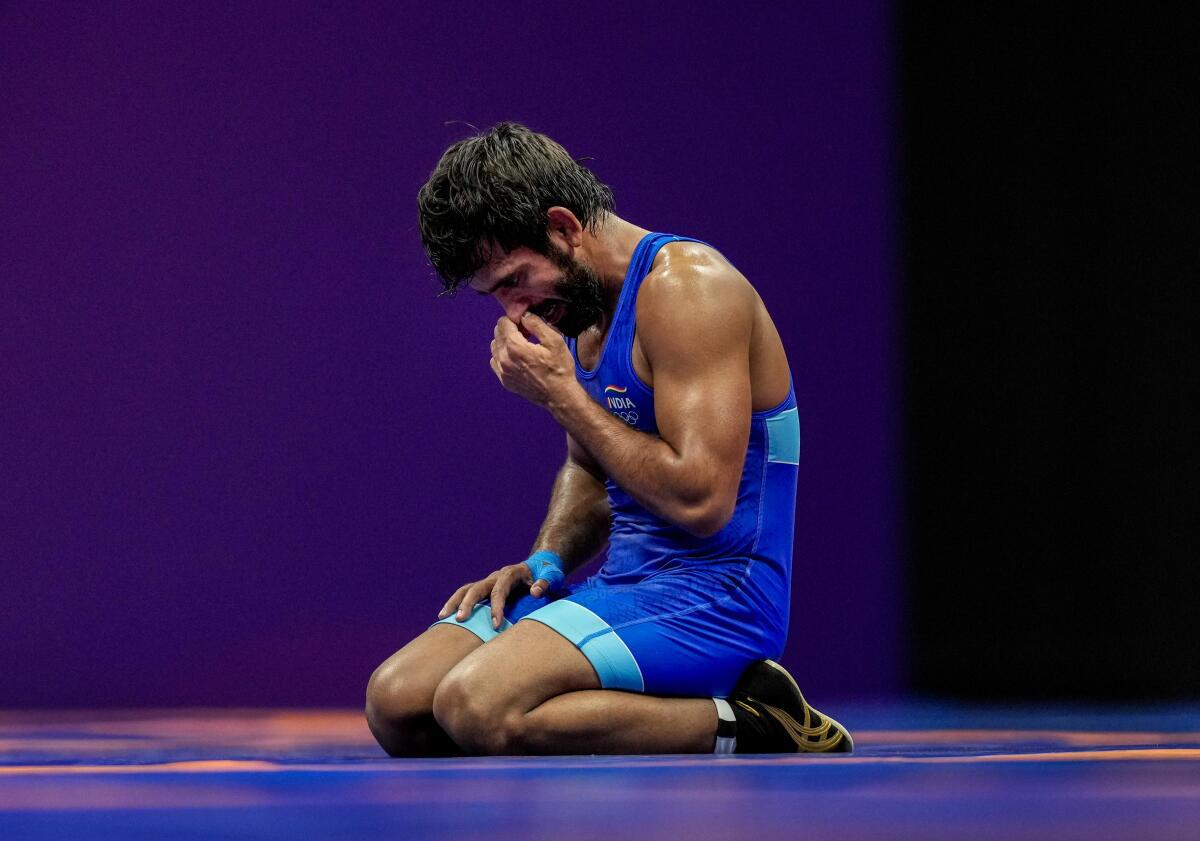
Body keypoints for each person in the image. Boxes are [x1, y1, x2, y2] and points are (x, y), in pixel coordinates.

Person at [365, 122, 852, 756]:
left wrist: (562, 396)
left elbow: (702, 503)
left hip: (721, 595)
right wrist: (545, 564)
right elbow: (591, 469)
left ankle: (758, 719)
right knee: (398, 702)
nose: (514, 312)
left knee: (477, 706)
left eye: (516, 280)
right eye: (496, 296)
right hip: (626, 587)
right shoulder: (580, 303)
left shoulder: (689, 289)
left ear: (563, 227)